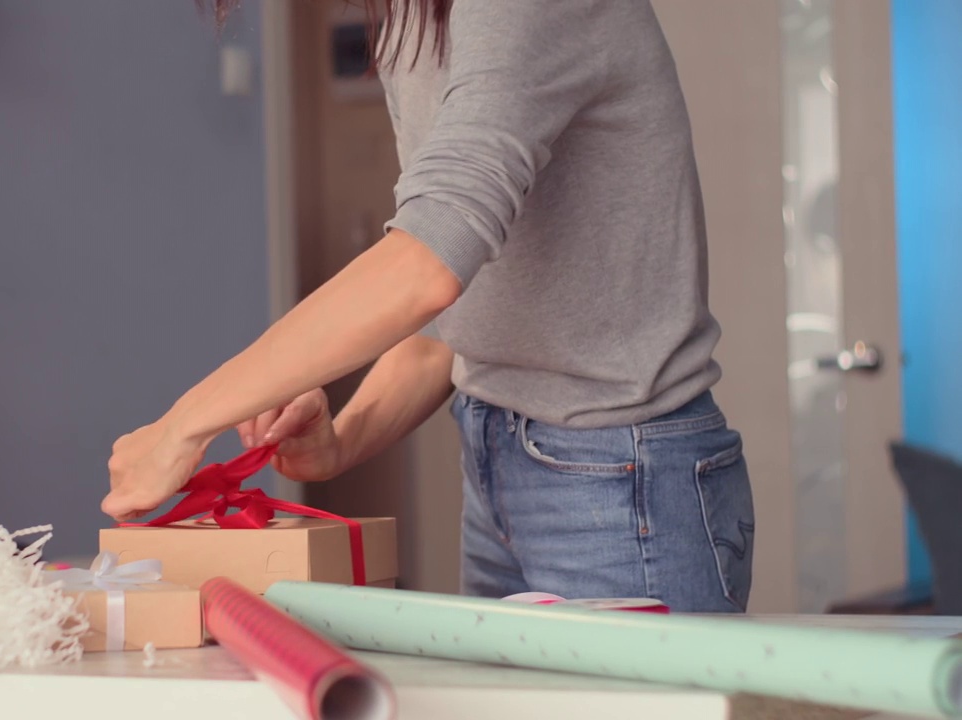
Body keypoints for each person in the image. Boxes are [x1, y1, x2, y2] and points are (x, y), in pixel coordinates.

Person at [103, 0, 755, 613]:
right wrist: (343, 442)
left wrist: (183, 426)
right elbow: (449, 322)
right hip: (498, 460)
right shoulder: (413, 18)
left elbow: (426, 264)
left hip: (621, 479)